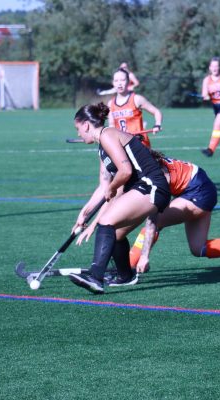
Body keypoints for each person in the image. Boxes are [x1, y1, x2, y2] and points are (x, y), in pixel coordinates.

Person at [67, 102, 170, 294]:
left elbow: (125, 171)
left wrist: (112, 189)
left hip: (152, 185)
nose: (78, 134)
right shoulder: (102, 147)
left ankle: (95, 276)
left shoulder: (108, 135)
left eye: (78, 129)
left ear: (87, 125)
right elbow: (103, 186)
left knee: (106, 221)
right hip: (141, 187)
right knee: (114, 235)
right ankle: (126, 276)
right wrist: (85, 213)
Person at [127, 151, 220, 274]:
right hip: (203, 190)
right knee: (198, 248)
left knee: (156, 220)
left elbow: (153, 217)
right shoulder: (151, 163)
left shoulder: (153, 172)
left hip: (198, 192)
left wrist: (144, 256)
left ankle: (128, 265)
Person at [107, 67, 162, 148]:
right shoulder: (111, 103)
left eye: (122, 80)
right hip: (123, 145)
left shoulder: (137, 99)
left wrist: (157, 124)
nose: (119, 83)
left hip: (140, 143)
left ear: (128, 82)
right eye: (116, 81)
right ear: (113, 83)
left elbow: (156, 112)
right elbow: (111, 125)